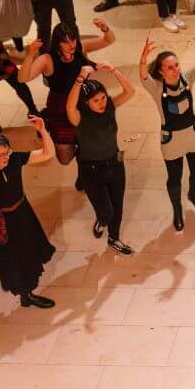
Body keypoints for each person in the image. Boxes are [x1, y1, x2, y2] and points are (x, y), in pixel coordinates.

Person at [0, 123, 57, 308]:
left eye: (7, 152)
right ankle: (26, 294)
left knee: (29, 249)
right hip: (0, 220)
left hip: (22, 211)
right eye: (0, 155)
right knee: (11, 258)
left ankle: (28, 289)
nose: (6, 157)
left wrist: (42, 131)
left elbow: (47, 154)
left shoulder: (14, 159)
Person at [135, 34, 195, 234]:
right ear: (161, 72)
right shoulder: (156, 87)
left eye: (176, 65)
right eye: (170, 67)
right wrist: (143, 59)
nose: (175, 69)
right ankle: (177, 210)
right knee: (174, 178)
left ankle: (193, 195)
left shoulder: (186, 78)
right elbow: (143, 77)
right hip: (172, 140)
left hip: (194, 134)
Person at [18, 19, 116, 167]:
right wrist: (30, 54)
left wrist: (105, 28)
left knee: (90, 146)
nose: (72, 45)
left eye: (73, 40)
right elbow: (22, 78)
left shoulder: (80, 48)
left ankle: (85, 162)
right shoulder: (47, 59)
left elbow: (109, 40)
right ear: (57, 43)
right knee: (64, 158)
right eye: (66, 42)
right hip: (60, 108)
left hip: (83, 103)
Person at [67, 64, 136, 255]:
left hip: (115, 163)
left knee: (117, 206)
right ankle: (102, 221)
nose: (102, 103)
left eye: (103, 97)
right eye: (96, 100)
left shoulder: (110, 107)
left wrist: (114, 71)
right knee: (106, 212)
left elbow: (130, 91)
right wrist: (80, 78)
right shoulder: (78, 117)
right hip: (91, 170)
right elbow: (69, 106)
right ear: (86, 102)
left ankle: (114, 239)